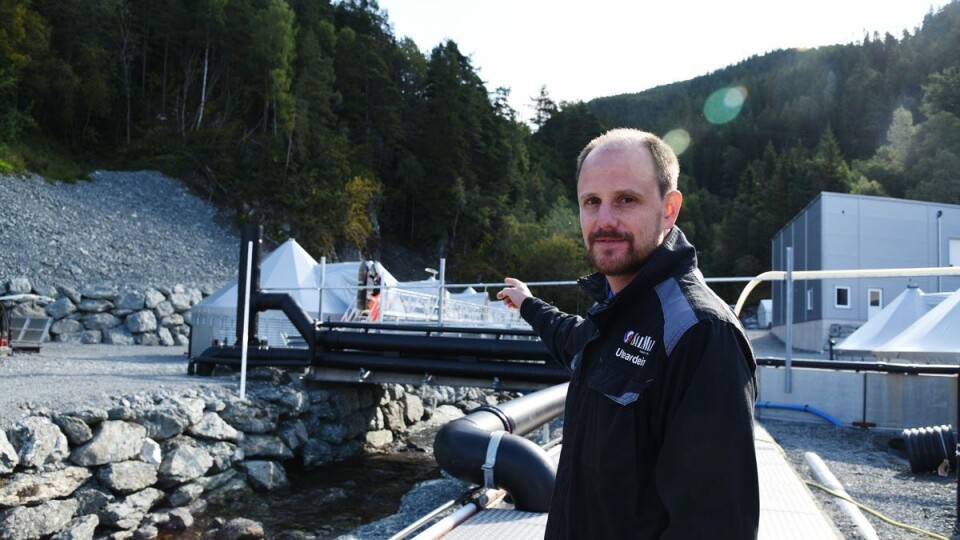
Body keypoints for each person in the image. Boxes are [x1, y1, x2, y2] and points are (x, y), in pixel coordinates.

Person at [497, 128, 759, 539]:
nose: (604, 220)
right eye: (592, 202)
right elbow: (572, 340)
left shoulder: (701, 334)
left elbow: (714, 526)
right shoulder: (616, 312)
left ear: (669, 209)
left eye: (626, 200)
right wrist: (528, 303)